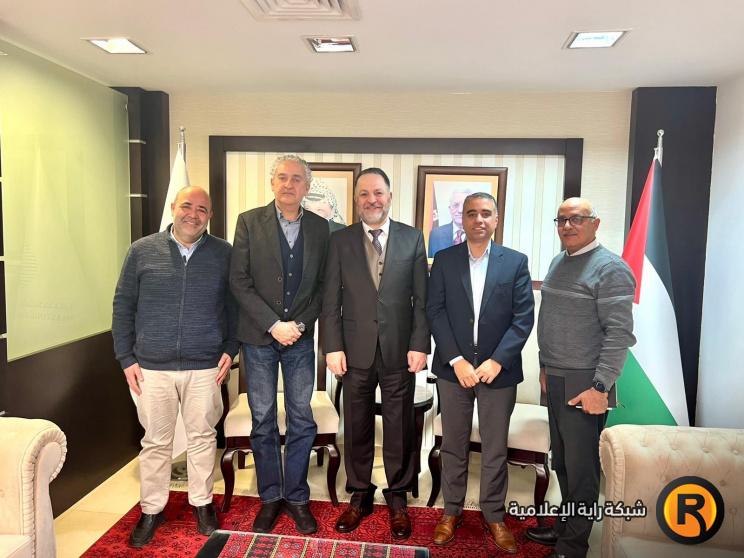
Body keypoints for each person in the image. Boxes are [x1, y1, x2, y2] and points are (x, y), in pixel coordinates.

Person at [112, 186, 237, 548]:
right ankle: (152, 509)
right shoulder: (141, 251)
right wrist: (126, 358)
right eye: (187, 206)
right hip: (152, 367)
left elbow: (235, 307)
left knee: (202, 438)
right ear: (173, 207)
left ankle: (202, 503)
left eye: (202, 209)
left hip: (205, 365)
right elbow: (123, 305)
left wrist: (232, 348)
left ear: (210, 216)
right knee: (155, 442)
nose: (193, 215)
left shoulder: (224, 254)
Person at [321, 167, 429, 540]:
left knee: (399, 426)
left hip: (400, 350)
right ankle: (360, 494)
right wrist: (332, 346)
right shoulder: (339, 241)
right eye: (364, 194)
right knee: (357, 425)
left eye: (378, 192)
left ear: (389, 197)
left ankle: (397, 497)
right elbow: (330, 300)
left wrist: (420, 344)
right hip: (354, 351)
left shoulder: (413, 238)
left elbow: (422, 300)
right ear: (356, 200)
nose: (372, 200)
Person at [526, 198, 635, 558]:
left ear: (595, 223)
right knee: (562, 463)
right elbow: (550, 321)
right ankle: (563, 528)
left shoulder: (611, 269)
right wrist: (544, 366)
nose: (567, 226)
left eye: (576, 219)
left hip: (586, 382)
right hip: (555, 376)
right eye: (561, 220)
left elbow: (619, 334)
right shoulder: (559, 261)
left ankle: (573, 547)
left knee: (583, 469)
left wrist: (600, 386)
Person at [426, 192, 534, 554]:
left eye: (486, 213)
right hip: (454, 370)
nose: (479, 219)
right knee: (453, 445)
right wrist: (456, 359)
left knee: (494, 447)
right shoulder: (444, 260)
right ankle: (451, 511)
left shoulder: (515, 262)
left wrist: (497, 360)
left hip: (497, 373)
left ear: (496, 220)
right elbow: (435, 312)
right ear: (463, 219)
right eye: (472, 213)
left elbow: (523, 318)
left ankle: (494, 515)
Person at [229, 154, 329, 535]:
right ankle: (270, 497)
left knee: (302, 417)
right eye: (282, 177)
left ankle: (297, 497)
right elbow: (239, 281)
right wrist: (273, 325)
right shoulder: (248, 222)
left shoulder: (321, 228)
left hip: (300, 340)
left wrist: (298, 325)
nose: (289, 184)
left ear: (307, 186)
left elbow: (323, 287)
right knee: (264, 418)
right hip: (258, 338)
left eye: (297, 179)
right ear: (272, 183)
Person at [428, 190, 471, 257]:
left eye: (465, 205)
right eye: (456, 205)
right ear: (450, 209)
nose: (460, 210)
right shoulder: (436, 234)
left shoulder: (478, 235)